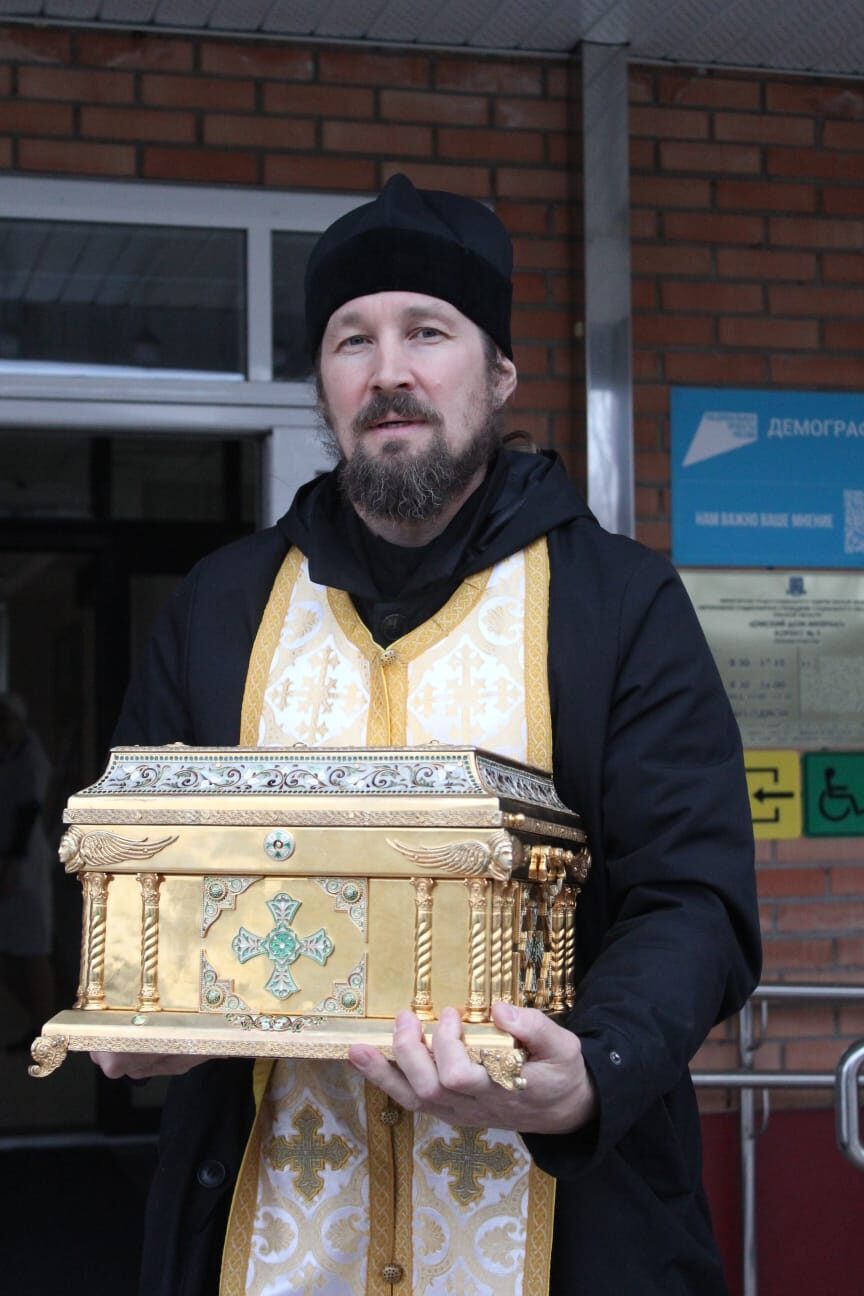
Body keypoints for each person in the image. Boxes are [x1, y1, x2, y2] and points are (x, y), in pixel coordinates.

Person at [93, 174, 761, 1295]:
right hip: (275, 1236)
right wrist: (131, 988)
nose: (388, 370)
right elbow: (138, 856)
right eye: (352, 339)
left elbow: (692, 895)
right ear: (323, 383)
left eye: (427, 332)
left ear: (498, 372)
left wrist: (596, 1067)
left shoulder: (619, 603)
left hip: (566, 1234)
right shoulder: (220, 608)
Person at [0, 692, 55, 1048]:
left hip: (24, 864)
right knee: (10, 950)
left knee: (34, 949)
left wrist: (11, 864)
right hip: (9, 858)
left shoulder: (31, 757)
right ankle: (37, 1020)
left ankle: (45, 1027)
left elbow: (27, 811)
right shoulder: (9, 755)